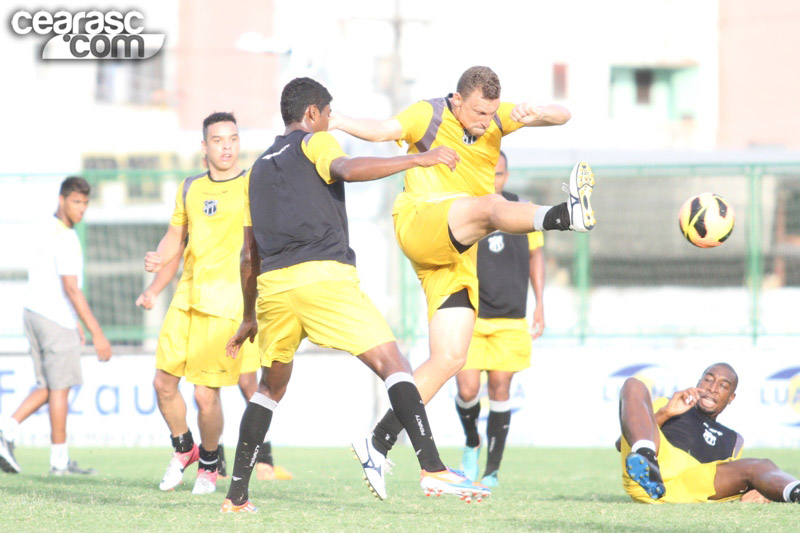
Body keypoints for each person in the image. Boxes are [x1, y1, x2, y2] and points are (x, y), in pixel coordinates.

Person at [220, 76, 488, 513]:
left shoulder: (256, 171)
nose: (329, 124)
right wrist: (417, 162)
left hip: (273, 290)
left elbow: (248, 255)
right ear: (311, 114)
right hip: (323, 278)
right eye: (327, 116)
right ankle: (433, 468)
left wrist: (249, 315)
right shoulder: (314, 143)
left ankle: (235, 498)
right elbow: (346, 169)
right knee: (394, 364)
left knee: (269, 388)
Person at [329, 65, 594, 498]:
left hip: (455, 252)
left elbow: (564, 115)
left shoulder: (496, 118)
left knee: (450, 358)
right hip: (422, 220)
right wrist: (338, 120)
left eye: (491, 114)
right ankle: (564, 215)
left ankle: (376, 443)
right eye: (476, 113)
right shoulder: (429, 114)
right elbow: (382, 130)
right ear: (456, 100)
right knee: (492, 206)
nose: (485, 122)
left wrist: (537, 111)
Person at [140, 112, 262, 495]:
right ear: (204, 146)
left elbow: (260, 247)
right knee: (162, 384)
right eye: (218, 140)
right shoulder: (189, 187)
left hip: (227, 306)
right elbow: (174, 236)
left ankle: (209, 464)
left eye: (233, 139)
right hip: (186, 299)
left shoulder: (251, 186)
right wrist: (160, 259)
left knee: (205, 395)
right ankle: (185, 449)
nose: (226, 146)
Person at [136, 242, 292, 482]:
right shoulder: (199, 213)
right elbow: (175, 252)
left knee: (249, 385)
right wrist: (154, 290)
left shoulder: (247, 213)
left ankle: (264, 460)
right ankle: (216, 462)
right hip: (205, 310)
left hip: (242, 310)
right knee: (207, 389)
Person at [0, 176, 112, 476]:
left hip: (34, 312)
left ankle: (7, 431)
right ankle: (58, 462)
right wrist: (97, 333)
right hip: (53, 319)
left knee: (48, 387)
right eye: (76, 201)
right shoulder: (66, 237)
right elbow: (71, 289)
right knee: (60, 388)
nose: (81, 209)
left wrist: (74, 322)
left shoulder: (46, 230)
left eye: (86, 203)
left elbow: (52, 282)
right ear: (61, 200)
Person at [454, 150, 544, 488]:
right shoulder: (464, 210)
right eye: (488, 173)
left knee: (500, 388)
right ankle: (471, 441)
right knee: (467, 388)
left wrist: (540, 304)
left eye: (500, 174)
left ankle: (491, 470)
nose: (494, 180)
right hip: (469, 316)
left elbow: (536, 256)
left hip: (510, 317)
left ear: (506, 176)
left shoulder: (522, 209)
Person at [618, 362, 800, 504]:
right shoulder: (668, 403)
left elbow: (728, 480)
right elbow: (622, 443)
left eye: (723, 385)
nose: (712, 388)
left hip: (691, 486)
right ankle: (647, 463)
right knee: (633, 384)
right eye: (709, 379)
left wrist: (758, 489)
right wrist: (666, 413)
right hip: (653, 470)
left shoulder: (734, 439)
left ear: (731, 398)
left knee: (760, 465)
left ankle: (795, 492)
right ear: (698, 382)